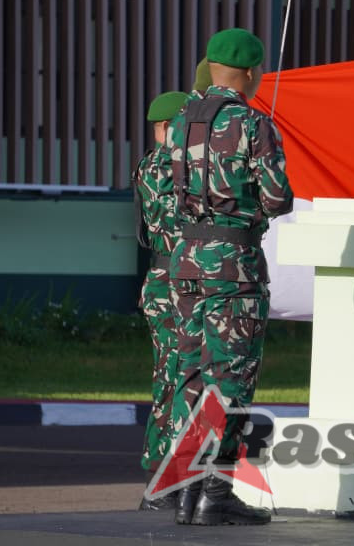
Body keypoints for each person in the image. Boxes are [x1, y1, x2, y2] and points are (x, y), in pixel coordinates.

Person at [166, 28, 293, 525]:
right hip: (233, 265)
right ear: (251, 73)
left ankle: (185, 493)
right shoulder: (252, 123)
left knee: (192, 377)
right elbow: (278, 198)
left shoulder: (178, 123)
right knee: (231, 378)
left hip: (185, 262)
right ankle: (216, 496)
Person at [134, 90, 189, 511]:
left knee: (170, 376)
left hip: (162, 280)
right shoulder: (170, 168)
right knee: (177, 378)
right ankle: (164, 477)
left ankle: (165, 471)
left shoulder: (148, 165)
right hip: (175, 282)